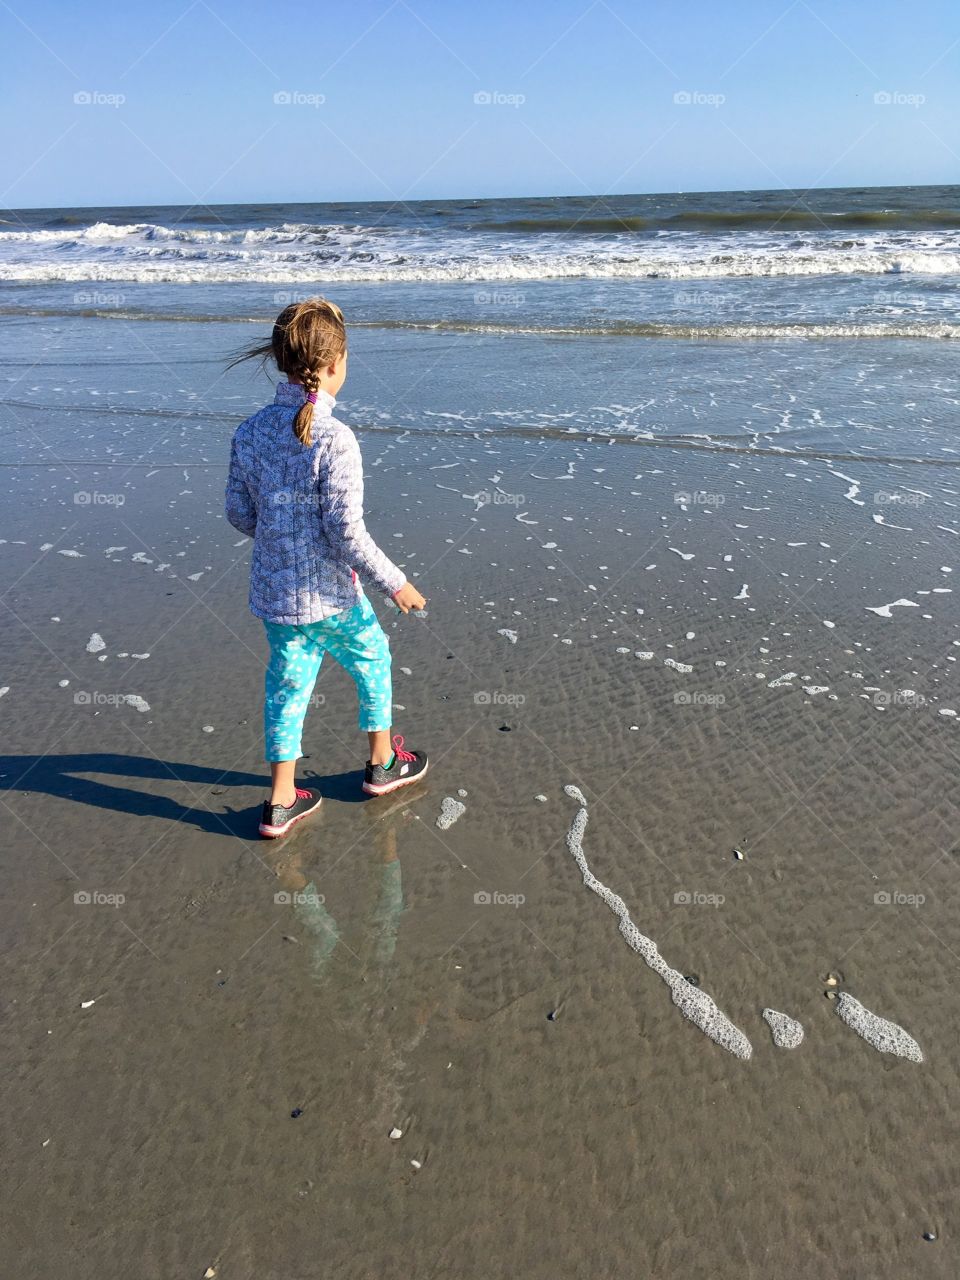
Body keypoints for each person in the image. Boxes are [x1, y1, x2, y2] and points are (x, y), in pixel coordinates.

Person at [225, 298, 428, 838]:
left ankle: (281, 800)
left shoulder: (249, 432)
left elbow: (239, 513)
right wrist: (396, 583)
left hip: (276, 596)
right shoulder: (336, 438)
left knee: (288, 686)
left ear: (278, 360)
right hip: (334, 596)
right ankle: (383, 764)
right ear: (336, 364)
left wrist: (279, 542)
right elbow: (347, 533)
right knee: (373, 659)